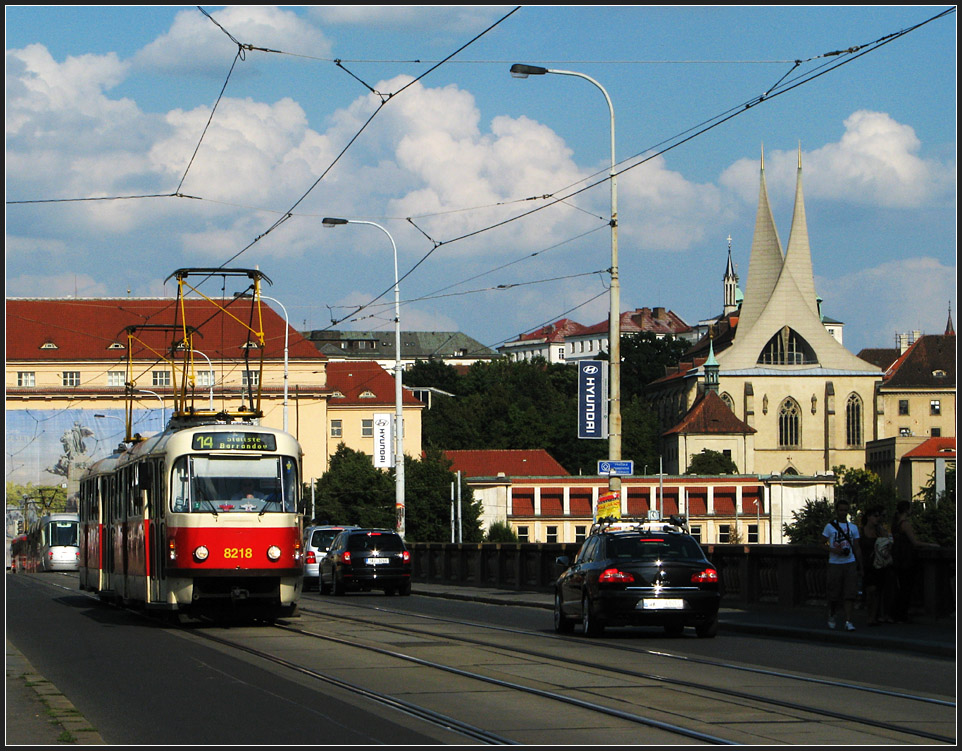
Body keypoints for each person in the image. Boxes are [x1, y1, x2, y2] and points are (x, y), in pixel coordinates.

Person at [890, 500, 936, 622]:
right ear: (906, 510)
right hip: (906, 558)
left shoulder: (895, 523)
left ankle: (897, 613)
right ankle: (901, 614)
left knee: (902, 587)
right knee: (906, 587)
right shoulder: (905, 524)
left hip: (898, 557)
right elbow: (914, 542)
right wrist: (931, 545)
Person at [822, 499, 862, 631]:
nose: (843, 513)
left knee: (849, 593)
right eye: (841, 510)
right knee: (834, 593)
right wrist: (833, 550)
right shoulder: (829, 527)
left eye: (845, 510)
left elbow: (856, 546)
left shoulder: (853, 528)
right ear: (837, 511)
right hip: (835, 563)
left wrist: (859, 564)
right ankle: (832, 614)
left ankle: (848, 620)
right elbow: (821, 543)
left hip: (849, 562)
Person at [859, 507, 894, 625]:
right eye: (875, 516)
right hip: (868, 564)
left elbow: (889, 542)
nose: (877, 518)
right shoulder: (861, 531)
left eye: (879, 516)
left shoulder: (879, 530)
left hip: (879, 564)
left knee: (877, 591)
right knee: (870, 590)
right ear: (868, 517)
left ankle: (874, 616)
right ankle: (870, 615)